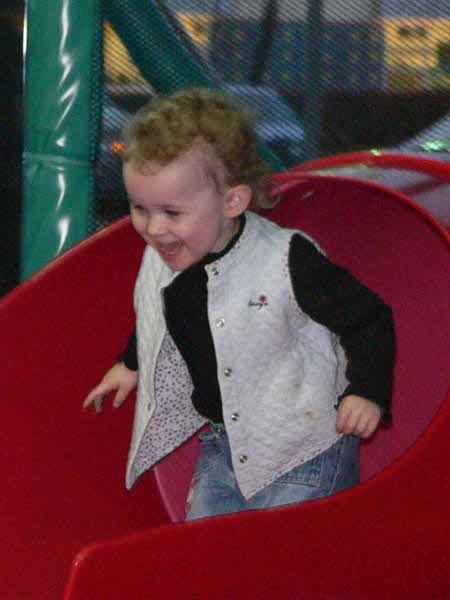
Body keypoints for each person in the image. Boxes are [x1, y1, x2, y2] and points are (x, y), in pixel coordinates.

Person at [83, 87, 395, 520]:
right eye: (139, 208)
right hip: (223, 445)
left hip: (303, 446)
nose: (153, 229)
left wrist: (366, 392)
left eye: (171, 213)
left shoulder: (285, 260)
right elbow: (159, 315)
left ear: (233, 201)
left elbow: (369, 319)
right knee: (208, 558)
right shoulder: (166, 258)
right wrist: (130, 363)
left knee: (285, 564)